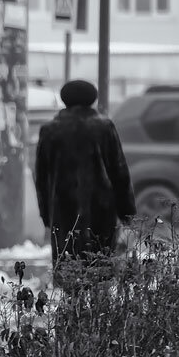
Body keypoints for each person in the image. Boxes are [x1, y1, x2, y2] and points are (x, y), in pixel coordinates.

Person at [34, 79, 137, 285]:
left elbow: (42, 178)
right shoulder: (104, 127)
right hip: (101, 209)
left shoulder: (50, 130)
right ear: (92, 99)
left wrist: (46, 215)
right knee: (100, 266)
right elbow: (119, 172)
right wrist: (127, 214)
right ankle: (97, 312)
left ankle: (71, 311)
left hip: (63, 211)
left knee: (68, 267)